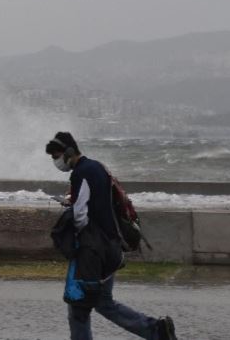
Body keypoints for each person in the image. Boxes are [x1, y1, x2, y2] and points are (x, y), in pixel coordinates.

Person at [46, 131, 178, 340]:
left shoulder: (81, 172)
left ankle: (156, 330)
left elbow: (81, 214)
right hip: (111, 246)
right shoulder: (97, 167)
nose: (56, 161)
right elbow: (99, 202)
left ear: (69, 152)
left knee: (79, 308)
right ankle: (156, 330)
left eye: (56, 155)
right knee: (103, 303)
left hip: (94, 251)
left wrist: (76, 230)